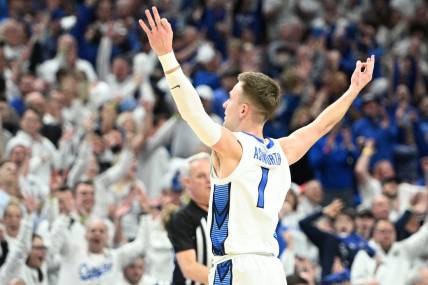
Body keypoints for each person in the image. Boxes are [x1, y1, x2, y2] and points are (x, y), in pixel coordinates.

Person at [139, 6, 375, 285]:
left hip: (234, 268)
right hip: (271, 270)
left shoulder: (232, 147)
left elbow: (192, 113)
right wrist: (353, 90)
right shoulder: (282, 150)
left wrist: (167, 56)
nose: (224, 104)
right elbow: (321, 125)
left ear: (243, 110)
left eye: (230, 99)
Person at [166, 152, 212, 285]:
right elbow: (190, 268)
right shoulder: (182, 218)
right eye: (201, 176)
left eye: (212, 173)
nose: (208, 180)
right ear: (187, 182)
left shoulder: (229, 213)